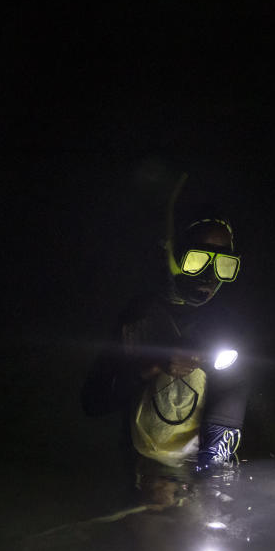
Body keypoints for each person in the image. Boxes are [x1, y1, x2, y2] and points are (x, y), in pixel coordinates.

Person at [81, 175, 251, 481]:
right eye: (197, 260)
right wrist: (152, 367)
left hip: (196, 471)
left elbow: (231, 404)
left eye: (223, 264)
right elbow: (93, 402)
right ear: (173, 253)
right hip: (141, 470)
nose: (209, 276)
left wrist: (209, 473)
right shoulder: (137, 318)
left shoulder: (227, 325)